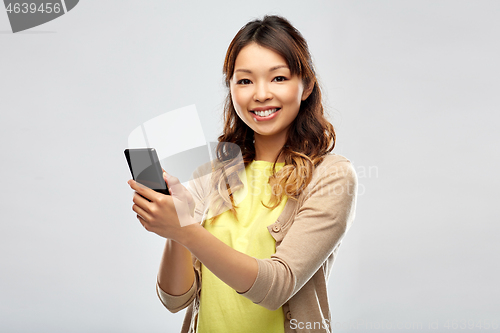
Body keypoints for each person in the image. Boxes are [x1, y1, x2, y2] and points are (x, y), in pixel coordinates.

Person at [128, 15, 358, 333]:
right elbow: (174, 299)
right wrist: (177, 225)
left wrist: (185, 230)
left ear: (306, 86)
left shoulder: (331, 177)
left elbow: (277, 286)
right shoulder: (211, 176)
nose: (260, 94)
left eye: (278, 78)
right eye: (245, 80)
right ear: (232, 89)